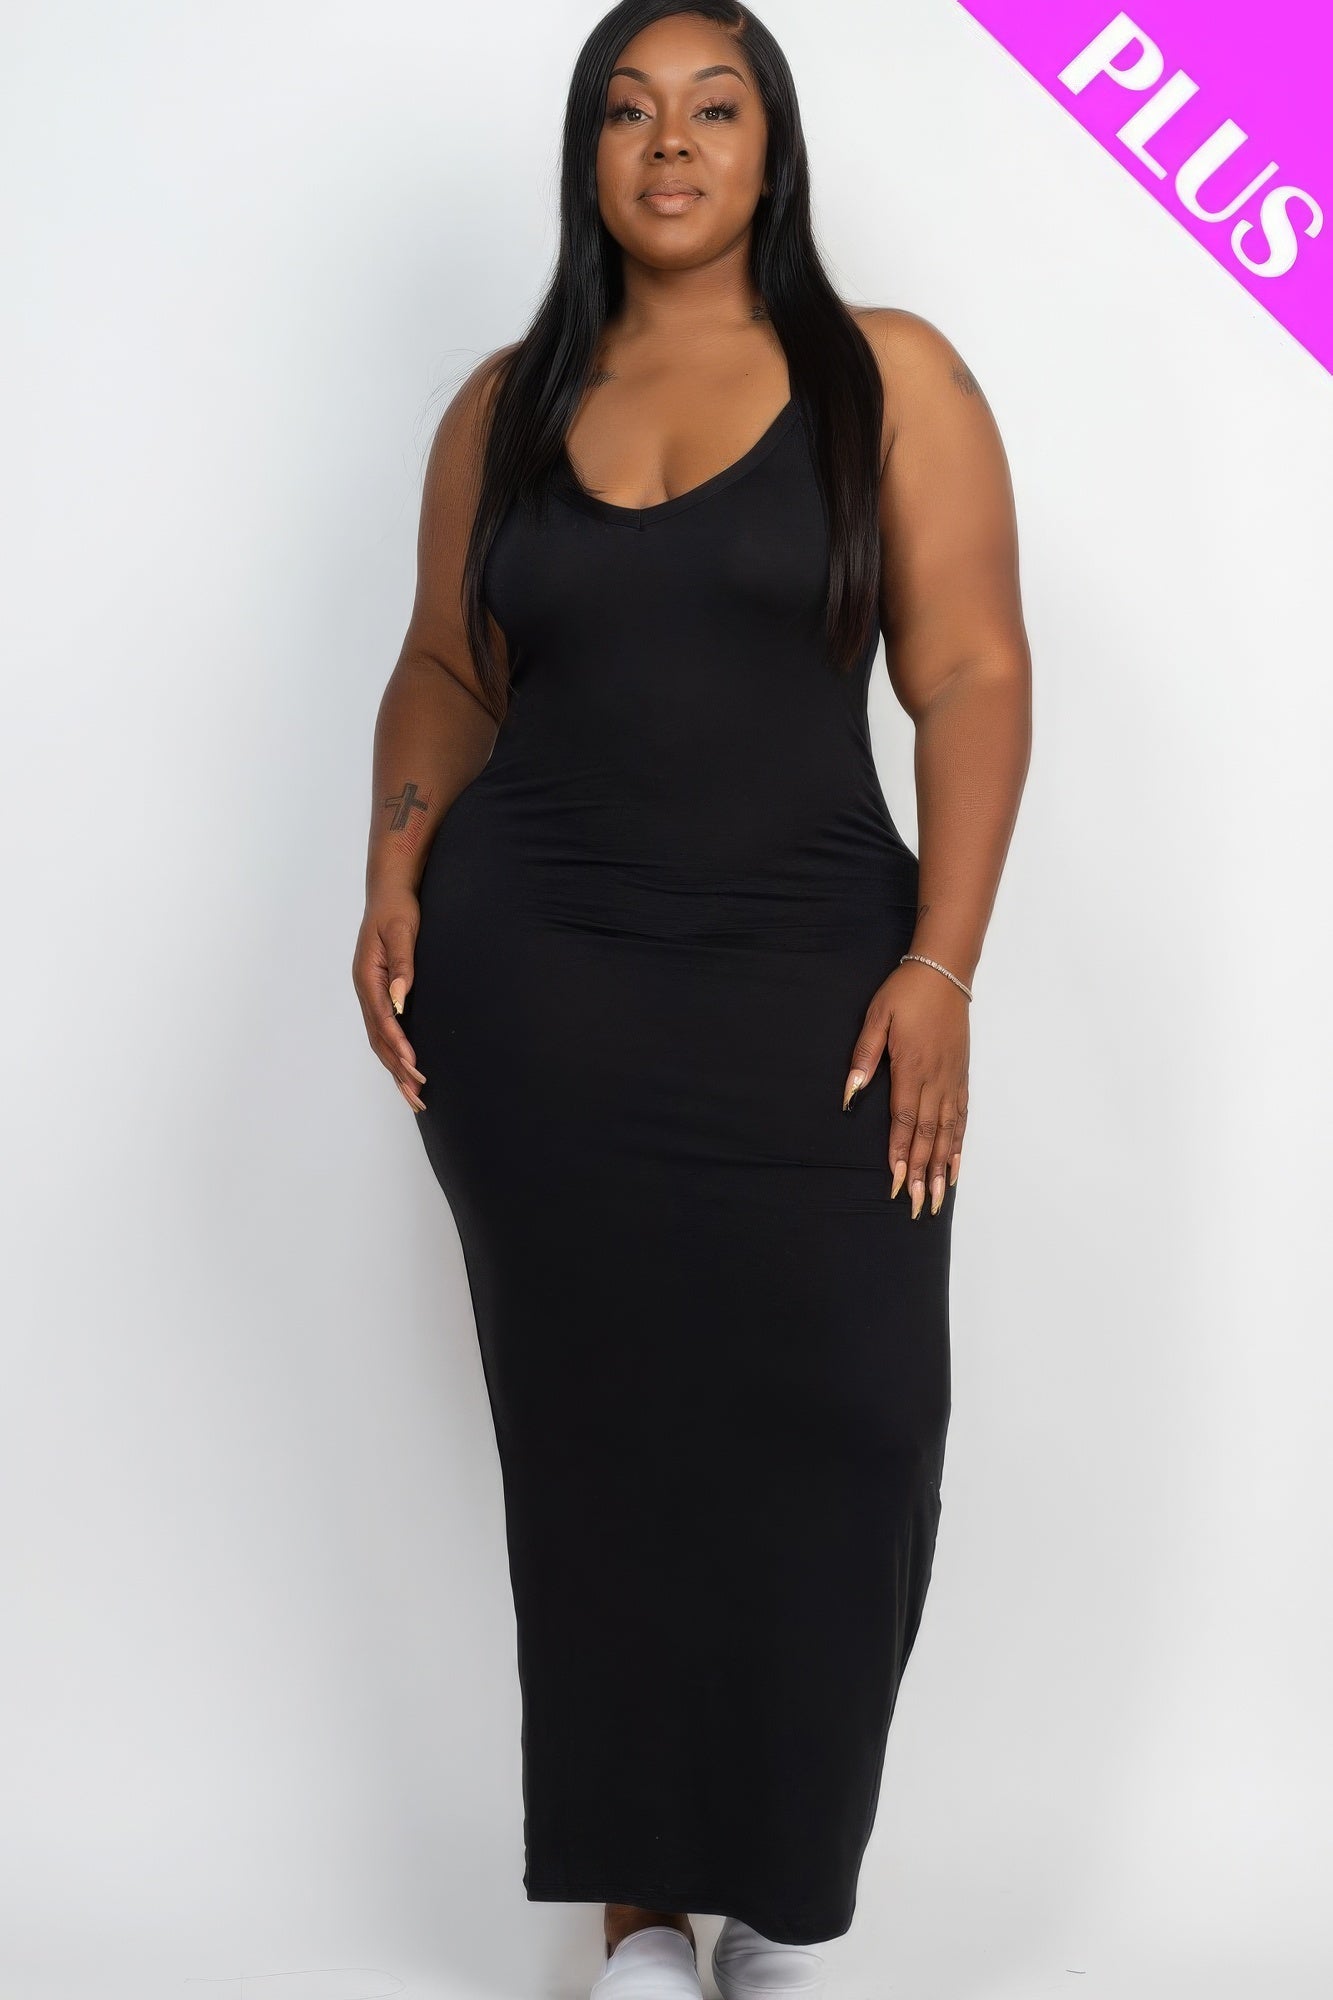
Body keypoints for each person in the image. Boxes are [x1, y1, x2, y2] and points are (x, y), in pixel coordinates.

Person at [352, 4, 1032, 1995]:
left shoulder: (884, 377)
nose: (670, 142)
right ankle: (642, 1918)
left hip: (820, 988)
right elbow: (445, 667)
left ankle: (784, 1912)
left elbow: (970, 673)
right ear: (588, 154)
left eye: (713, 107)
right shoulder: (504, 406)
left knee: (852, 1421)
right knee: (601, 1437)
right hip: (537, 996)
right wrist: (392, 857)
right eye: (629, 110)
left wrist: (942, 961)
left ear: (769, 147)